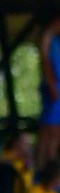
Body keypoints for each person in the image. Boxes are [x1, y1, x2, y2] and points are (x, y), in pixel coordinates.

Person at [37, 17, 60, 169]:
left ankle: (48, 165)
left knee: (54, 131)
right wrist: (52, 85)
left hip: (56, 86)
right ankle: (45, 167)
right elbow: (45, 62)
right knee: (50, 131)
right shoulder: (48, 36)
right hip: (53, 87)